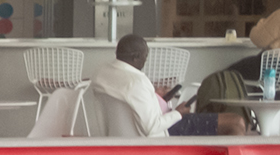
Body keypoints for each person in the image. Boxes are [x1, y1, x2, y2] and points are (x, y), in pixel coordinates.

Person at [88, 34, 244, 137]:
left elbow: (132, 103)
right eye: (145, 56)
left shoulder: (101, 73)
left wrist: (155, 97)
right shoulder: (137, 82)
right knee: (235, 122)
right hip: (163, 134)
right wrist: (179, 113)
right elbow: (151, 127)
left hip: (118, 140)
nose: (145, 60)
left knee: (234, 121)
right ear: (136, 56)